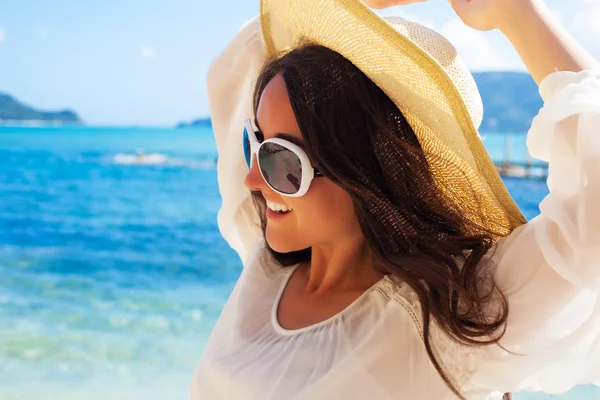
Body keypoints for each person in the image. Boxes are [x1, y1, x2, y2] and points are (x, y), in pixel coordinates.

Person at [192, 0, 600, 399]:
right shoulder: (267, 266)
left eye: (281, 160)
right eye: (255, 142)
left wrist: (517, 13)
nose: (251, 181)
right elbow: (236, 66)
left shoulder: (450, 322)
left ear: (368, 169)